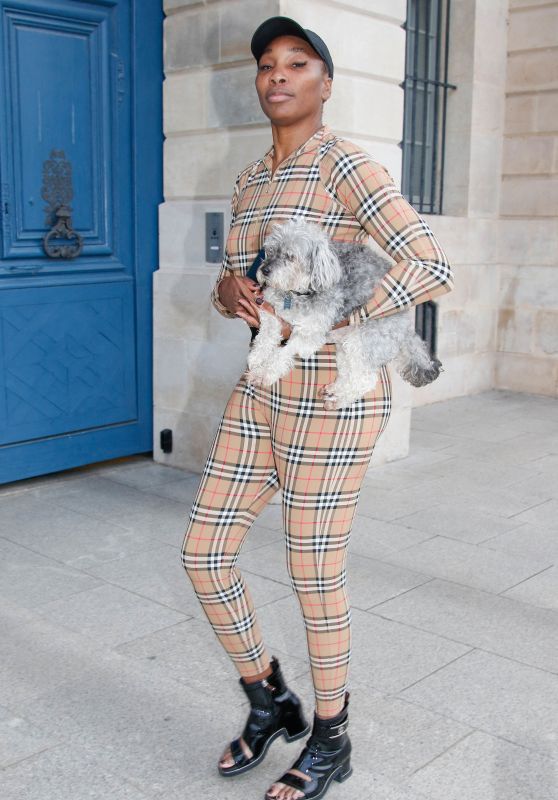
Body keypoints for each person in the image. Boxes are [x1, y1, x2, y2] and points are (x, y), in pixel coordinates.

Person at [181, 15, 454, 800]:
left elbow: (431, 262)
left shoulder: (346, 165)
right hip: (262, 388)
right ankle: (270, 699)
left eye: (298, 64)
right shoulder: (249, 181)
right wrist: (229, 288)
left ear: (324, 84)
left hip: (332, 401)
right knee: (203, 552)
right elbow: (243, 280)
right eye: (268, 64)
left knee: (311, 567)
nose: (278, 75)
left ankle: (332, 736)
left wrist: (345, 318)